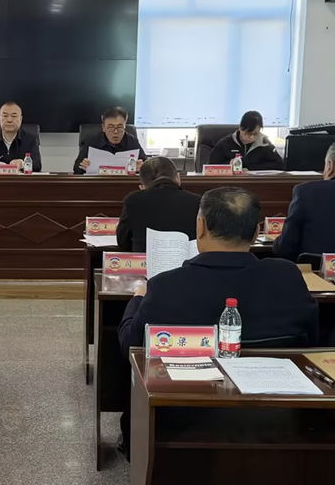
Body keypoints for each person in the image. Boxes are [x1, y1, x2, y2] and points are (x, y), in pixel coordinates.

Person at [116, 187, 318, 450]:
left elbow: (131, 347)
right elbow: (311, 341)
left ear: (200, 226)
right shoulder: (288, 276)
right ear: (256, 233)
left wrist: (137, 299)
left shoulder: (166, 285)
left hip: (180, 424)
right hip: (275, 420)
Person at [115, 156, 202, 252]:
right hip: (188, 260)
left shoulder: (133, 200)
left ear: (143, 185)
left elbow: (122, 242)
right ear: (178, 178)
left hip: (144, 260)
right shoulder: (197, 201)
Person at [74, 107, 146, 175]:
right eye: (110, 127)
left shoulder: (132, 141)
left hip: (124, 182)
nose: (115, 131)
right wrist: (83, 166)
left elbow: (148, 167)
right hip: (99, 182)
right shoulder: (93, 142)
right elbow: (76, 168)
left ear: (125, 127)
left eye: (119, 127)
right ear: (103, 127)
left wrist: (142, 167)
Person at [207, 111, 285, 171]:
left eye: (256, 133)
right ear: (240, 128)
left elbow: (279, 165)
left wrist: (249, 168)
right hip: (230, 182)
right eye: (248, 133)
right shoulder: (225, 143)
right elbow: (210, 167)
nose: (252, 137)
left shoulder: (264, 143)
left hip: (256, 182)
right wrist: (229, 165)